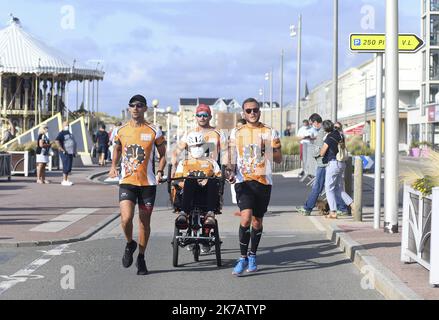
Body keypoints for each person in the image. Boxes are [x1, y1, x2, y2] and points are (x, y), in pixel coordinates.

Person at [109, 94, 166, 275]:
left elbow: (163, 154)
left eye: (139, 105)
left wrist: (160, 171)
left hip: (147, 184)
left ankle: (141, 257)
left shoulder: (153, 131)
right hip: (127, 181)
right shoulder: (121, 130)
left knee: (144, 223)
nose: (135, 108)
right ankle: (129, 243)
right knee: (125, 219)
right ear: (129, 108)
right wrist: (113, 167)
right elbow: (117, 148)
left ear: (145, 108)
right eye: (132, 105)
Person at [228, 97, 282, 276]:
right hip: (243, 180)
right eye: (248, 110)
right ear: (243, 113)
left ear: (260, 111)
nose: (252, 113)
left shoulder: (270, 132)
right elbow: (232, 156)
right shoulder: (237, 132)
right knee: (246, 218)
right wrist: (229, 170)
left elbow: (279, 159)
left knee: (257, 222)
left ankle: (252, 254)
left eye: (255, 110)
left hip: (263, 182)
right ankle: (242, 258)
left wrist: (268, 149)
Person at [174, 132, 221, 253]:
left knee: (213, 180)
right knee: (190, 179)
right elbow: (177, 181)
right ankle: (184, 214)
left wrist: (207, 180)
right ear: (188, 147)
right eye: (194, 146)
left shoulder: (211, 162)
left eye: (199, 145)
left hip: (206, 194)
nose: (197, 148)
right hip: (189, 194)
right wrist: (191, 182)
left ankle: (209, 215)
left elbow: (219, 179)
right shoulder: (183, 163)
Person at [171, 104, 227, 171]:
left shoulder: (219, 133)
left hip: (211, 172)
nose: (202, 118)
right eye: (199, 115)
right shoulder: (189, 133)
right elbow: (176, 152)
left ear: (210, 117)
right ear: (196, 117)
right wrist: (174, 167)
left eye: (205, 115)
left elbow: (226, 152)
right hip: (191, 171)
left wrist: (226, 169)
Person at [320, 120, 354, 219]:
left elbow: (322, 153)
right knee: (338, 188)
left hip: (333, 164)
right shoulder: (340, 135)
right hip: (341, 163)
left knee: (329, 188)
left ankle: (333, 212)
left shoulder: (329, 137)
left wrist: (320, 152)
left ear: (325, 129)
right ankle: (352, 204)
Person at [56, 121, 77, 186]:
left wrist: (74, 151)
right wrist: (61, 149)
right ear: (62, 126)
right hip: (65, 152)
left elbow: (73, 142)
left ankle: (67, 179)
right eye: (66, 125)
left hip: (70, 152)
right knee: (66, 165)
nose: (67, 126)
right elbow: (57, 140)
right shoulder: (61, 133)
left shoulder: (69, 133)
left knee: (69, 166)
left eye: (68, 125)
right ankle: (64, 180)